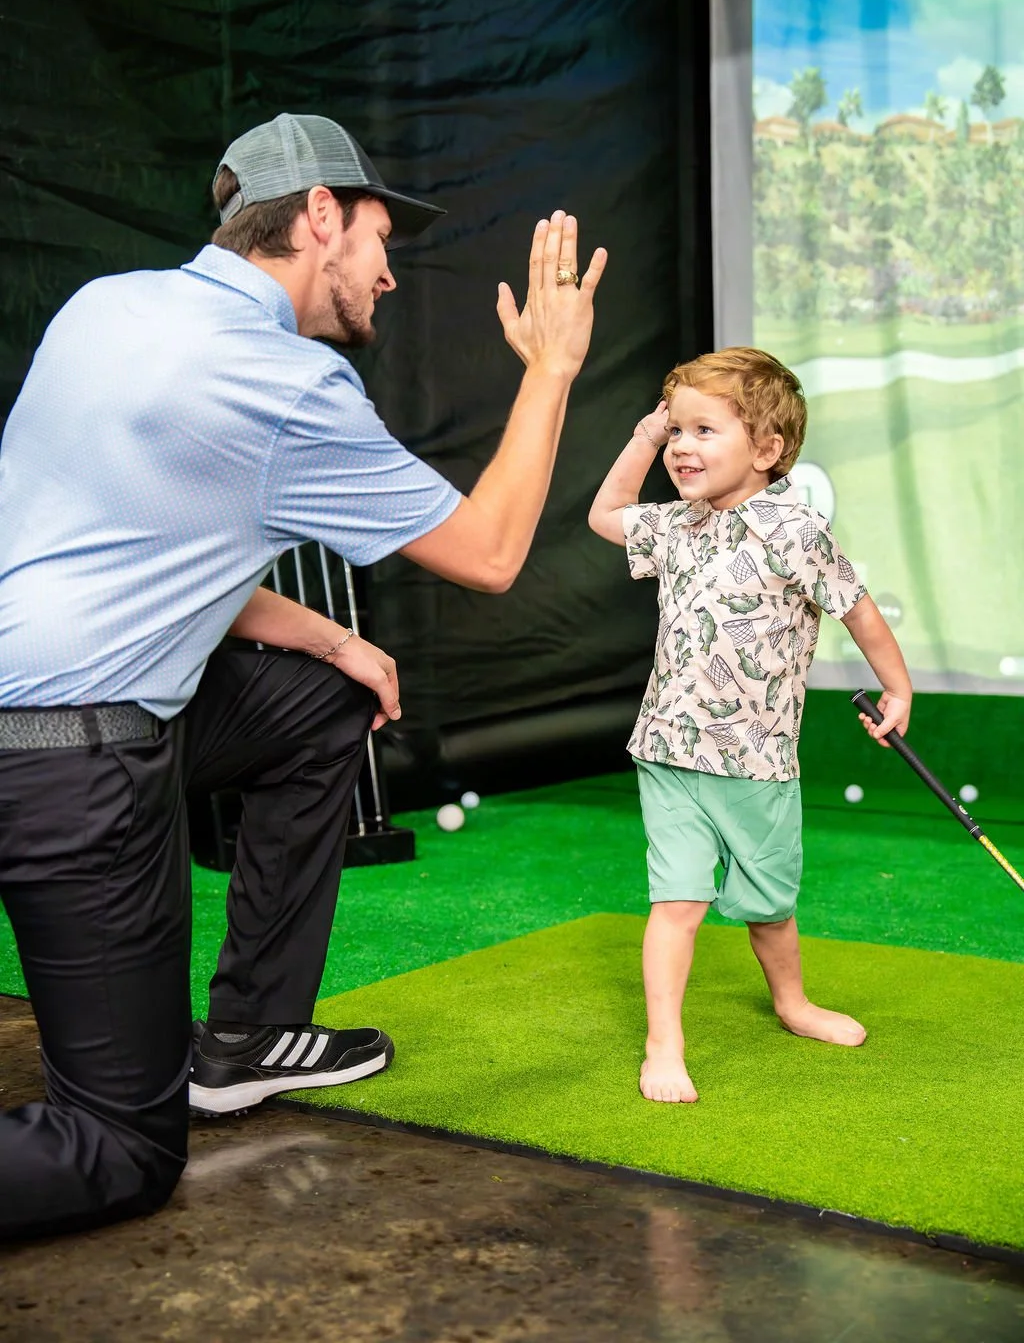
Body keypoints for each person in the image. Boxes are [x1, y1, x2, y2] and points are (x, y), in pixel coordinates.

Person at [0, 112, 606, 1238]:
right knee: (119, 1150)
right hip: (66, 765)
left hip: (43, 724)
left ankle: (244, 1041)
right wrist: (552, 371)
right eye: (379, 237)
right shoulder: (288, 381)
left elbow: (159, 540)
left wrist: (331, 639)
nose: (387, 272)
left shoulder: (104, 308)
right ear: (319, 217)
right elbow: (489, 552)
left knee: (321, 700)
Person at [588, 347, 911, 1104]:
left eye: (705, 430)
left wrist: (895, 686)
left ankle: (792, 1003)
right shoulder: (676, 526)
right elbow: (605, 515)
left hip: (758, 762)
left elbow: (855, 606)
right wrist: (643, 435)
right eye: (678, 432)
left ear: (767, 451)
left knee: (769, 905)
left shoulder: (796, 531)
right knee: (677, 902)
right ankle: (663, 1043)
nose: (683, 447)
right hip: (669, 751)